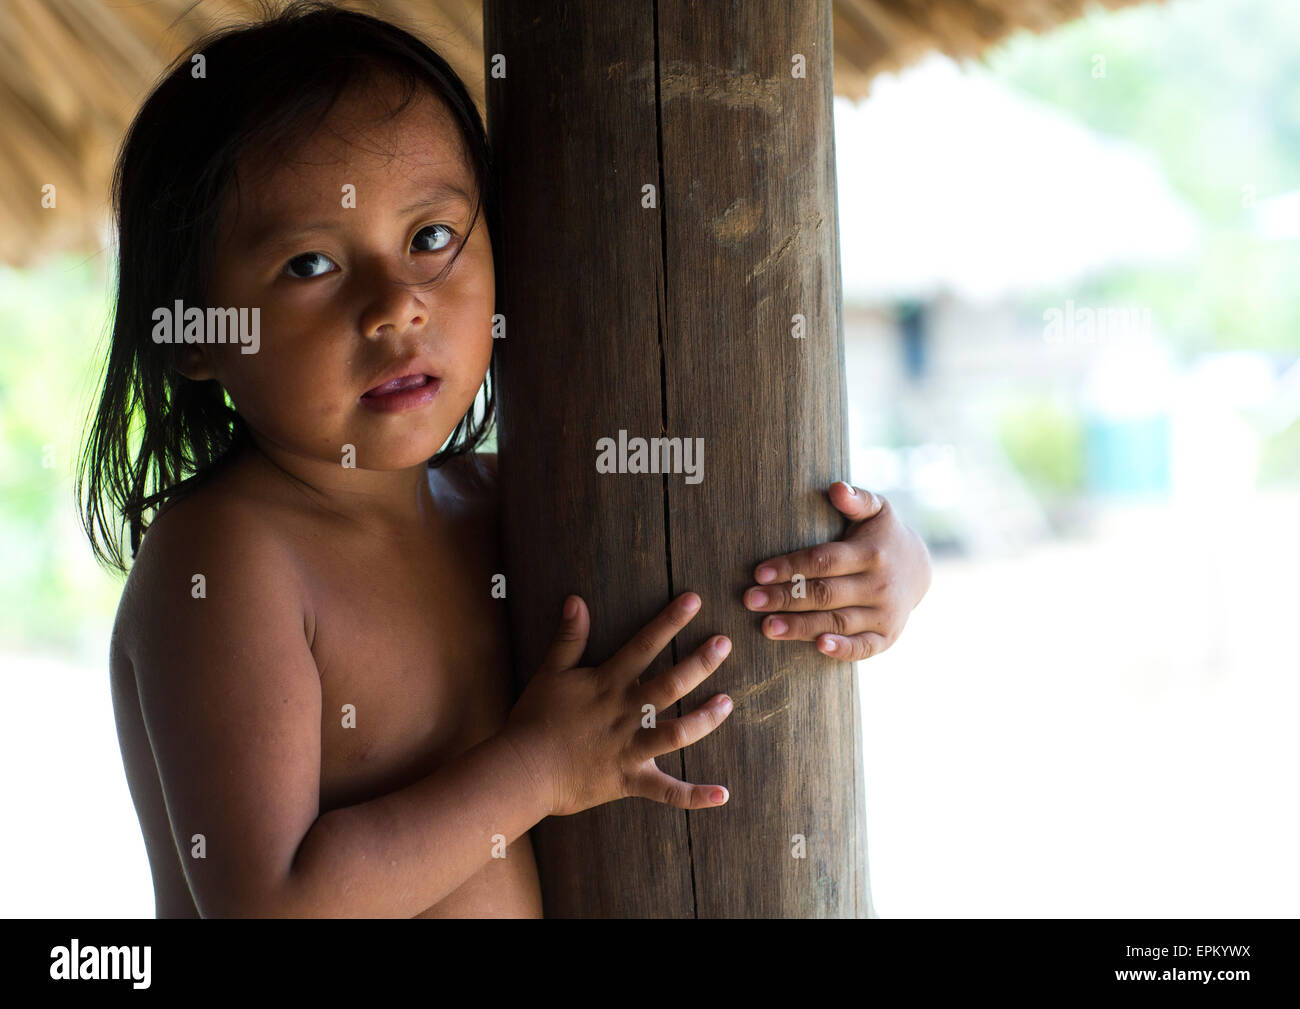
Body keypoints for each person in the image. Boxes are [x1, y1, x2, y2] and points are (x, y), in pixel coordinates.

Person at [77, 0, 932, 918]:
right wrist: (541, 767)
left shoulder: (510, 502)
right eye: (309, 266)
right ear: (195, 328)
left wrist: (889, 570)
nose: (395, 305)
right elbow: (271, 904)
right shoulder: (225, 557)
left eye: (431, 238)